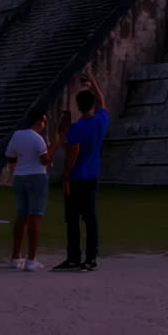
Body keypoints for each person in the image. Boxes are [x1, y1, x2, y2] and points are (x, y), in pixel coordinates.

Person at [54, 72, 107, 272]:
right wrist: (93, 81)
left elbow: (72, 154)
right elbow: (102, 100)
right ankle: (91, 258)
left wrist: (66, 177)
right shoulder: (101, 120)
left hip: (76, 178)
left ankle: (74, 257)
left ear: (78, 106)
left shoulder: (76, 128)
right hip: (92, 175)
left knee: (73, 219)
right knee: (90, 219)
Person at [5, 107, 59, 271]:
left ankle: (15, 256)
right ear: (38, 121)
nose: (44, 125)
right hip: (37, 177)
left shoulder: (17, 135)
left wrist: (24, 157)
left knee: (21, 216)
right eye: (43, 121)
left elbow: (10, 156)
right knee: (35, 217)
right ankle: (31, 259)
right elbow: (45, 160)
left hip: (21, 177)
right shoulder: (38, 139)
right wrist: (55, 145)